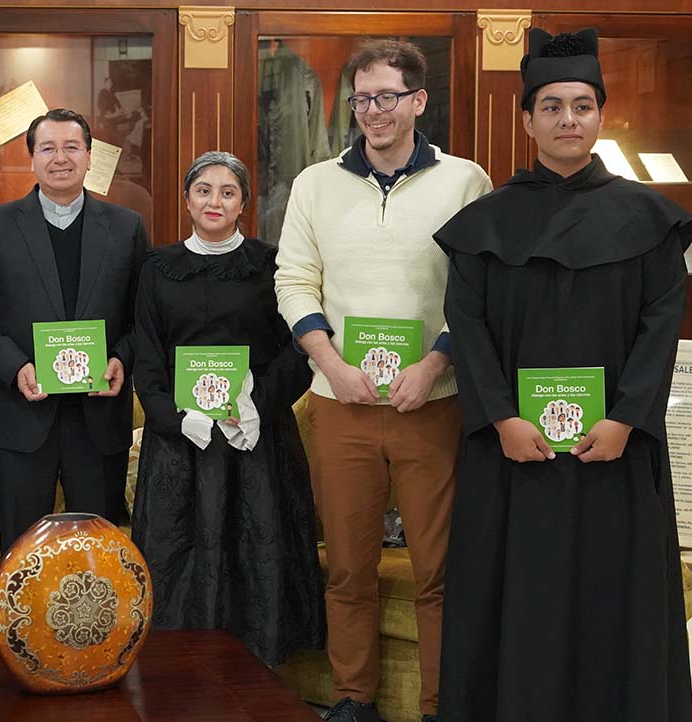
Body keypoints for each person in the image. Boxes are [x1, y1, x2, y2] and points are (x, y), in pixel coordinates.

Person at [434, 28, 692, 722]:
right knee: (518, 592)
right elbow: (468, 326)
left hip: (615, 451)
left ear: (600, 115)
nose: (567, 119)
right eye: (551, 106)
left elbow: (659, 326)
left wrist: (623, 418)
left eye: (581, 105)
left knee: (615, 594)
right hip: (513, 453)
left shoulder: (649, 221)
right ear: (526, 120)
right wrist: (499, 418)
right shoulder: (482, 225)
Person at [273, 40, 492, 722]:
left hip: (433, 404)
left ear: (417, 101)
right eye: (362, 97)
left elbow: (477, 291)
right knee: (346, 566)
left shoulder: (465, 181)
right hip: (340, 405)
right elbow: (292, 280)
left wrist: (433, 365)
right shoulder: (314, 184)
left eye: (386, 97)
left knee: (438, 569)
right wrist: (332, 366)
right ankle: (351, 699)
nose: (373, 111)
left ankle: (437, 705)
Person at [130, 151, 324, 666]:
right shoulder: (157, 269)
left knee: (255, 552)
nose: (215, 201)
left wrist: (255, 403)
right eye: (204, 190)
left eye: (228, 192)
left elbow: (300, 347)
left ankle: (257, 675)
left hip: (255, 440)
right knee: (178, 557)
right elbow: (146, 358)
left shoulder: (271, 266)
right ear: (187, 199)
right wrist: (178, 418)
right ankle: (178, 673)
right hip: (179, 446)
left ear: (243, 204)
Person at [0, 108, 150, 553]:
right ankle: (21, 628)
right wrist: (15, 366)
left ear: (89, 155)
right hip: (21, 420)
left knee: (99, 555)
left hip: (99, 422)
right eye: (48, 148)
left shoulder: (126, 227)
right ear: (31, 158)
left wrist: (121, 358)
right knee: (23, 555)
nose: (60, 158)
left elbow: (145, 317)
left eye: (71, 147)